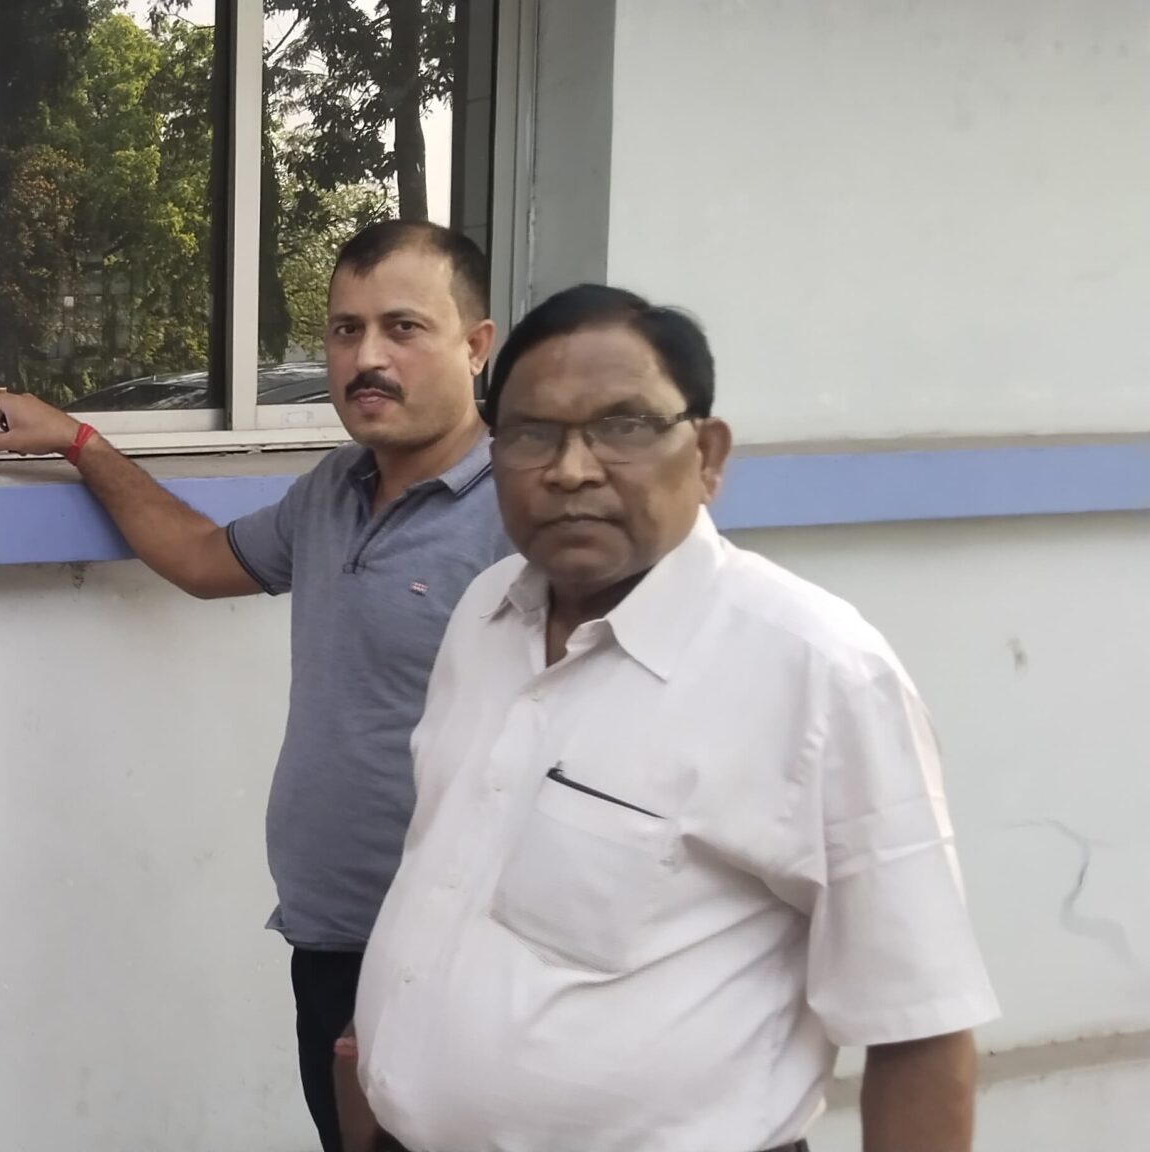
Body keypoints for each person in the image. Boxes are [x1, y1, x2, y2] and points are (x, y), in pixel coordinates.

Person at [351, 285, 997, 1152]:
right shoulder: (485, 614)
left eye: (622, 426)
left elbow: (919, 1028)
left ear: (708, 455)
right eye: (532, 434)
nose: (571, 470)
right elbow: (448, 875)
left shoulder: (818, 672)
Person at [0, 220, 510, 1151]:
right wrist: (80, 442)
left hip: (465, 956)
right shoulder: (335, 489)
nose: (367, 358)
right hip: (332, 938)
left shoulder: (524, 516)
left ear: (476, 345)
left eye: (403, 328)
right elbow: (200, 557)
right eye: (345, 330)